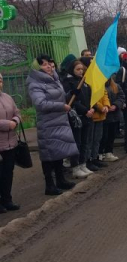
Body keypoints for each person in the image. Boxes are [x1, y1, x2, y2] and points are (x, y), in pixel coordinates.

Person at [27, 54, 78, 196]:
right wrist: (62, 106)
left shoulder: (54, 79)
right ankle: (49, 185)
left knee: (59, 152)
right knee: (49, 155)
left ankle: (61, 180)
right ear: (37, 68)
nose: (49, 66)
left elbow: (59, 96)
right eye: (44, 64)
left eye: (50, 63)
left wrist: (70, 94)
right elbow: (40, 104)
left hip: (60, 120)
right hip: (48, 123)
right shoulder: (35, 83)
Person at [62, 59, 94, 178]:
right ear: (72, 70)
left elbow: (90, 97)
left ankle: (83, 164)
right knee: (77, 142)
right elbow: (72, 101)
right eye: (78, 69)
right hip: (77, 117)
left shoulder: (84, 81)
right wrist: (85, 111)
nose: (80, 71)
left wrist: (92, 108)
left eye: (82, 69)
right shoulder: (68, 82)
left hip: (87, 115)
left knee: (85, 141)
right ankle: (75, 167)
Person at [0, 72, 21, 212]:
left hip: (10, 142)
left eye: (0, 80)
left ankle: (7, 199)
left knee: (8, 172)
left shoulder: (7, 97)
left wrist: (15, 120)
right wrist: (8, 124)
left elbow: (17, 112)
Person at [99, 75, 124, 162]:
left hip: (115, 114)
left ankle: (109, 152)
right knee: (103, 136)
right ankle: (100, 153)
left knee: (111, 135)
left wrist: (115, 105)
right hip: (104, 115)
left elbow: (121, 96)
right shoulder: (99, 86)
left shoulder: (115, 86)